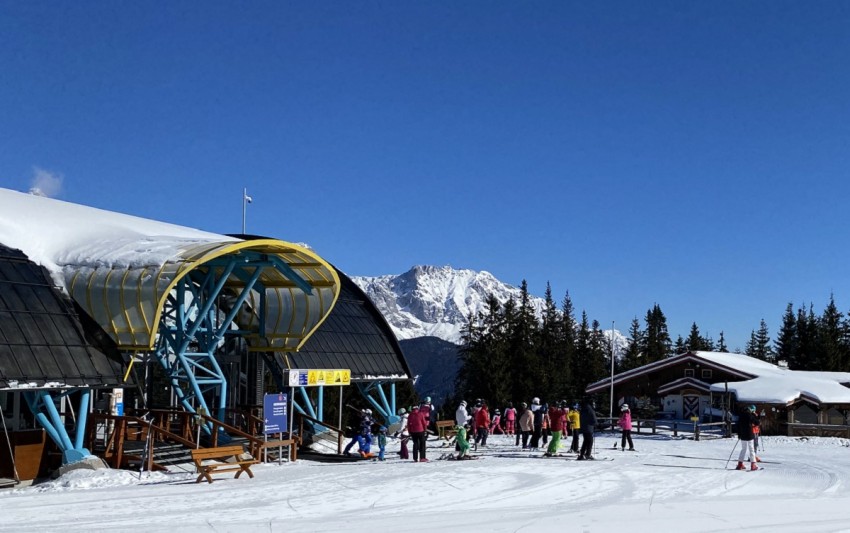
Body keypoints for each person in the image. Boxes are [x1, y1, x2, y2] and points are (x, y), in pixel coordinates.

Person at [735, 404, 760, 471]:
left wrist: (739, 435)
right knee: (751, 449)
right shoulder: (750, 416)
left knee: (743, 449)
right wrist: (755, 415)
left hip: (743, 435)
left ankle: (740, 464)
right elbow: (757, 423)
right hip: (749, 435)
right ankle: (753, 465)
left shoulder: (741, 416)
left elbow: (738, 426)